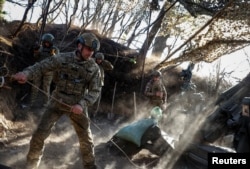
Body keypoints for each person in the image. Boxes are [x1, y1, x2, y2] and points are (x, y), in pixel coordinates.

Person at [12, 32, 102, 169]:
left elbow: (95, 91)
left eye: (93, 50)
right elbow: (42, 66)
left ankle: (90, 166)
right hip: (57, 101)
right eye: (88, 49)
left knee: (86, 140)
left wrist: (82, 104)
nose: (91, 53)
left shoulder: (94, 68)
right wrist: (27, 73)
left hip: (77, 106)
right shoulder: (62, 58)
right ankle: (31, 165)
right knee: (39, 135)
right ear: (79, 45)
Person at [30, 33, 60, 107]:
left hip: (49, 71)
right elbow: (36, 57)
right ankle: (31, 103)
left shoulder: (55, 49)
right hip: (39, 69)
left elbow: (58, 60)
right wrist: (36, 51)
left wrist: (53, 55)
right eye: (45, 42)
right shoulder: (41, 48)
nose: (46, 44)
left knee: (46, 88)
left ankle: (46, 105)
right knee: (35, 86)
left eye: (48, 42)